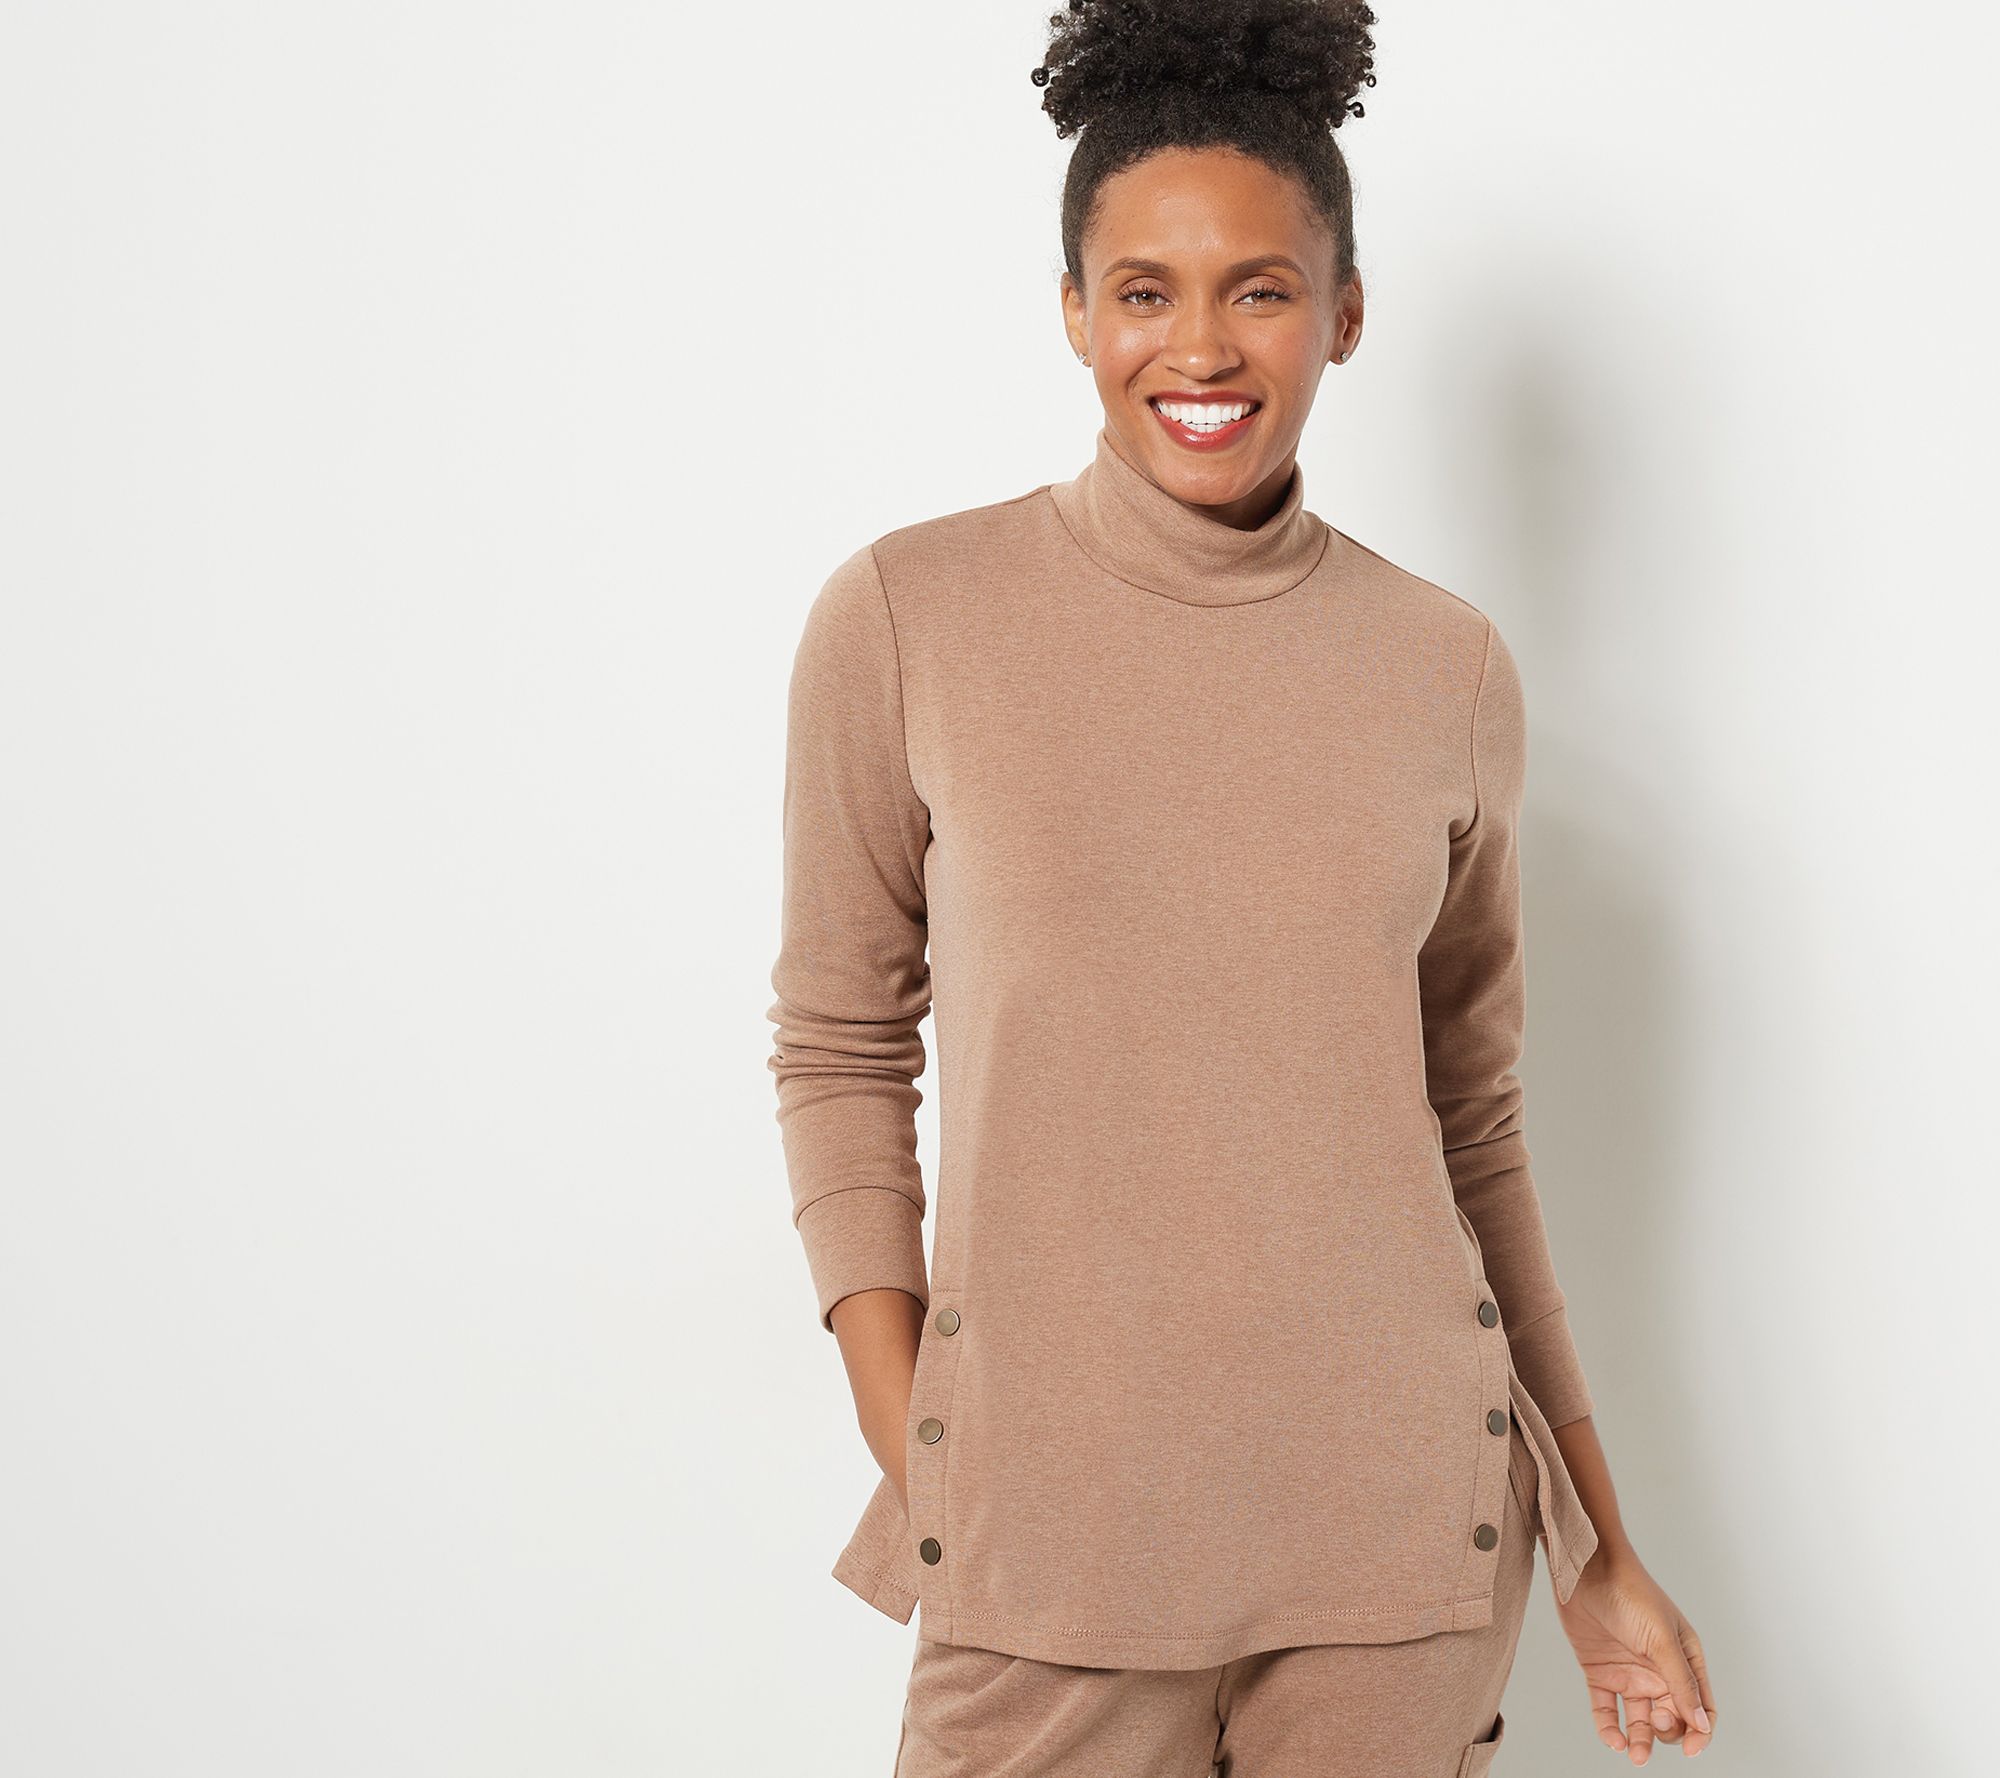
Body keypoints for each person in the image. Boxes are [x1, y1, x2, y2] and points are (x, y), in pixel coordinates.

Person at [764, 2, 1717, 1770]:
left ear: (1345, 312)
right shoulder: (908, 619)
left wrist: (1602, 1546)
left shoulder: (1446, 668)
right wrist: (929, 1455)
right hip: (1047, 1558)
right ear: (1074, 310)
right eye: (1145, 290)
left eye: (1261, 289)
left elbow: (1473, 1123)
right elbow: (835, 1049)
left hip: (1401, 1560)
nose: (1200, 346)